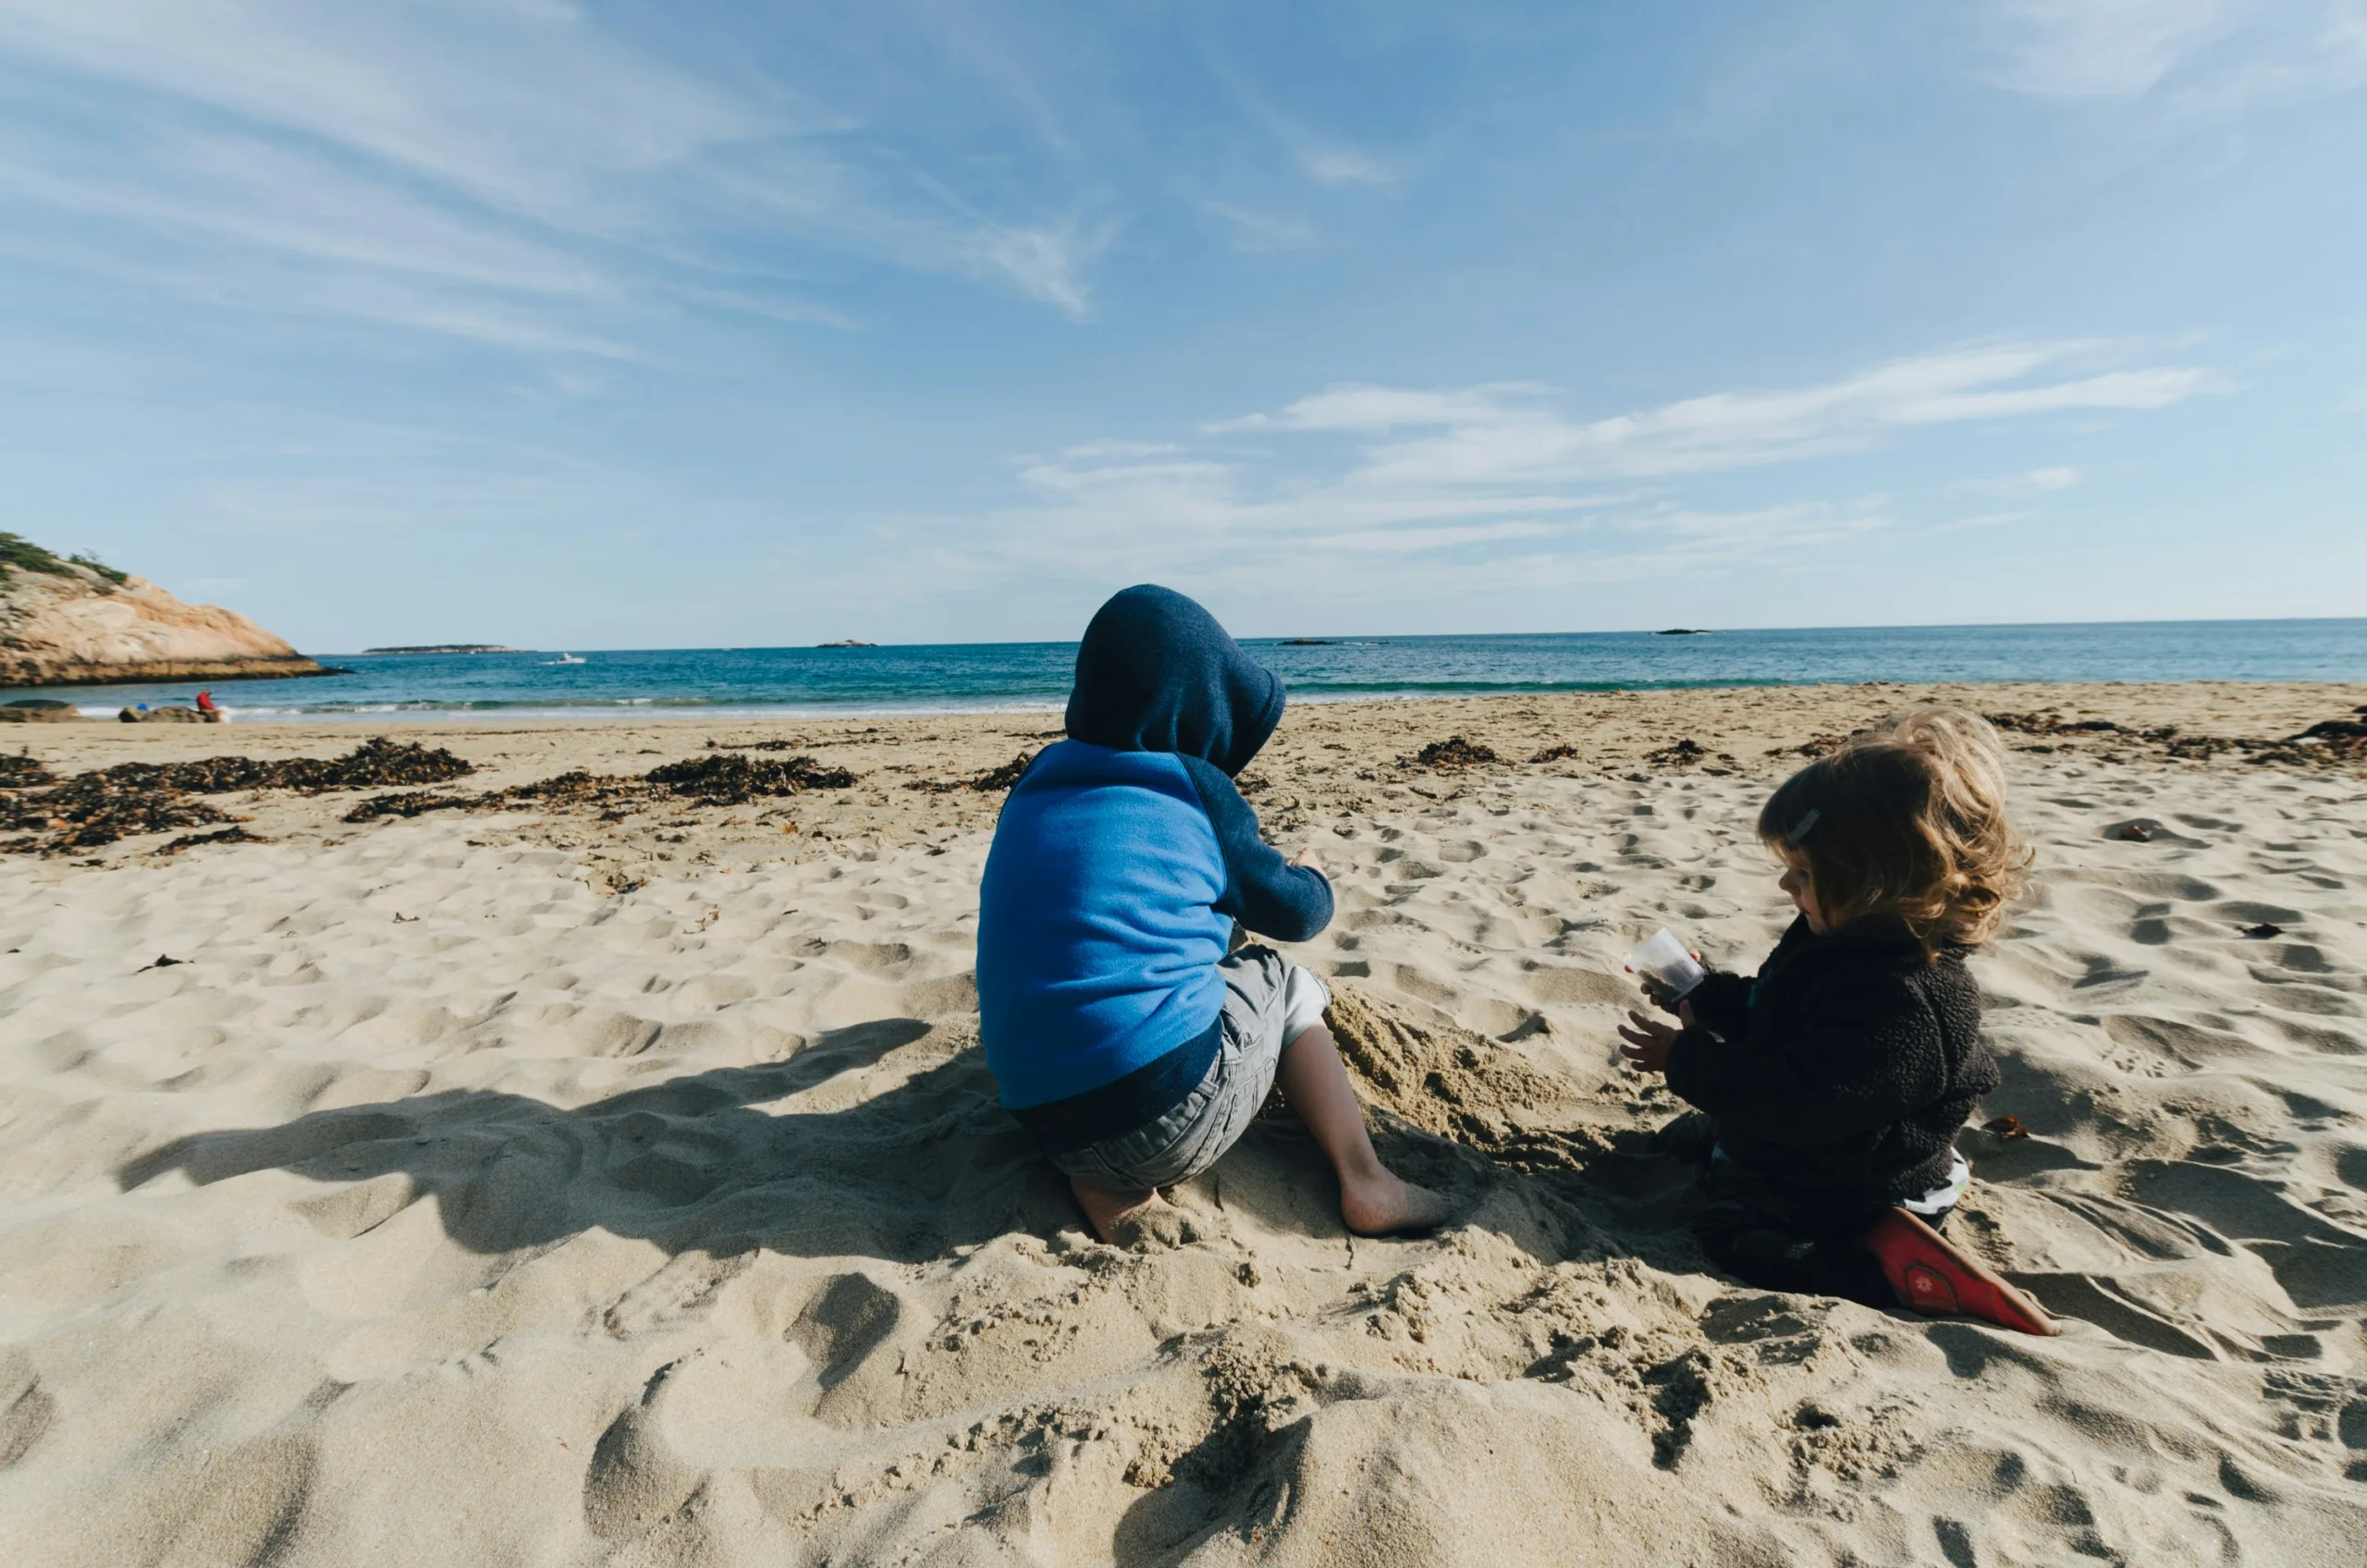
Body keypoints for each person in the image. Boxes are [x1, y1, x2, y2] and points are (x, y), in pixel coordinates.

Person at [977, 585, 1451, 1245]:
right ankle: (1367, 1178)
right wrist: (1310, 870)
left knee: (1122, 1009)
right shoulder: (1191, 788)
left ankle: (1109, 1192)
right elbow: (1300, 914)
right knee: (1282, 979)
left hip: (1045, 1119)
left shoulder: (1038, 782)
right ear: (1199, 702)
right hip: (1165, 1114)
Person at [1616, 707, 2054, 1333]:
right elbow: (1777, 1014)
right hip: (1821, 1134)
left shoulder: (1907, 998)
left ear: (1875, 884)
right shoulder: (1836, 937)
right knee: (1701, 1135)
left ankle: (1884, 1272)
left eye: (1804, 874)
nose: (1783, 884)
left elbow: (1801, 1102)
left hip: (1863, 1182)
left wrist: (1682, 1059)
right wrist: (1705, 995)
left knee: (1730, 1234)